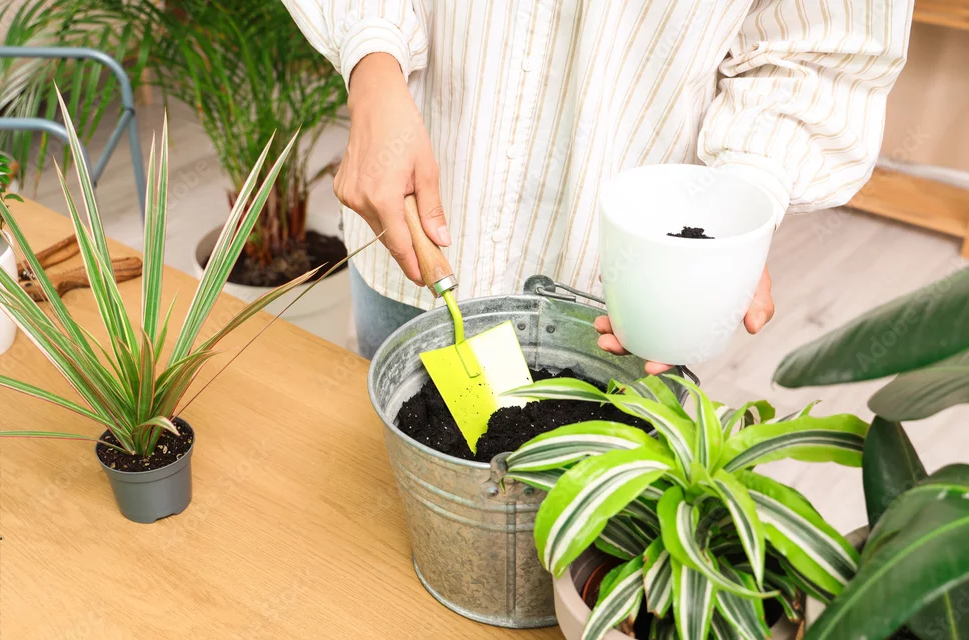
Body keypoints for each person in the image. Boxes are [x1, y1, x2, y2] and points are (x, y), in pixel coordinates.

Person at [283, 1, 913, 371]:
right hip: (412, 239)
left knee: (592, 545)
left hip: (628, 293)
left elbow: (819, 45)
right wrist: (372, 60)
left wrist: (741, 204)